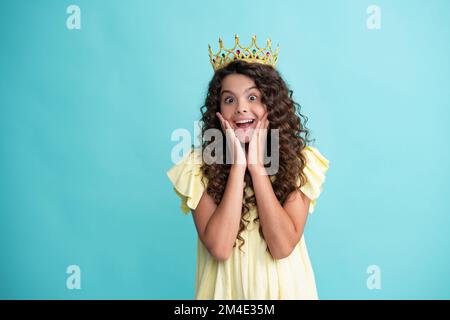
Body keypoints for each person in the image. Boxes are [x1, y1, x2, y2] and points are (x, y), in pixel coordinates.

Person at [167, 35, 330, 299]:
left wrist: (256, 168)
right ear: (217, 110)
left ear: (271, 104)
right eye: (229, 100)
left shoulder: (301, 162)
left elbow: (282, 246)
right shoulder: (197, 167)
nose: (241, 108)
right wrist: (237, 167)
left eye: (253, 97)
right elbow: (219, 247)